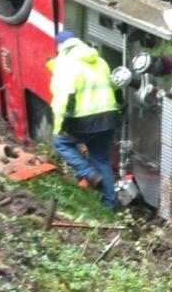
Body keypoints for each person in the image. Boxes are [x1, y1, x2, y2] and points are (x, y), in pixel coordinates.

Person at [48, 30, 120, 210]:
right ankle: (109, 206)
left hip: (84, 119)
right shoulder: (99, 60)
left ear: (60, 47)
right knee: (101, 159)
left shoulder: (65, 63)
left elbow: (63, 99)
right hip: (108, 118)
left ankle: (88, 173)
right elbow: (114, 88)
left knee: (60, 143)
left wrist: (61, 126)